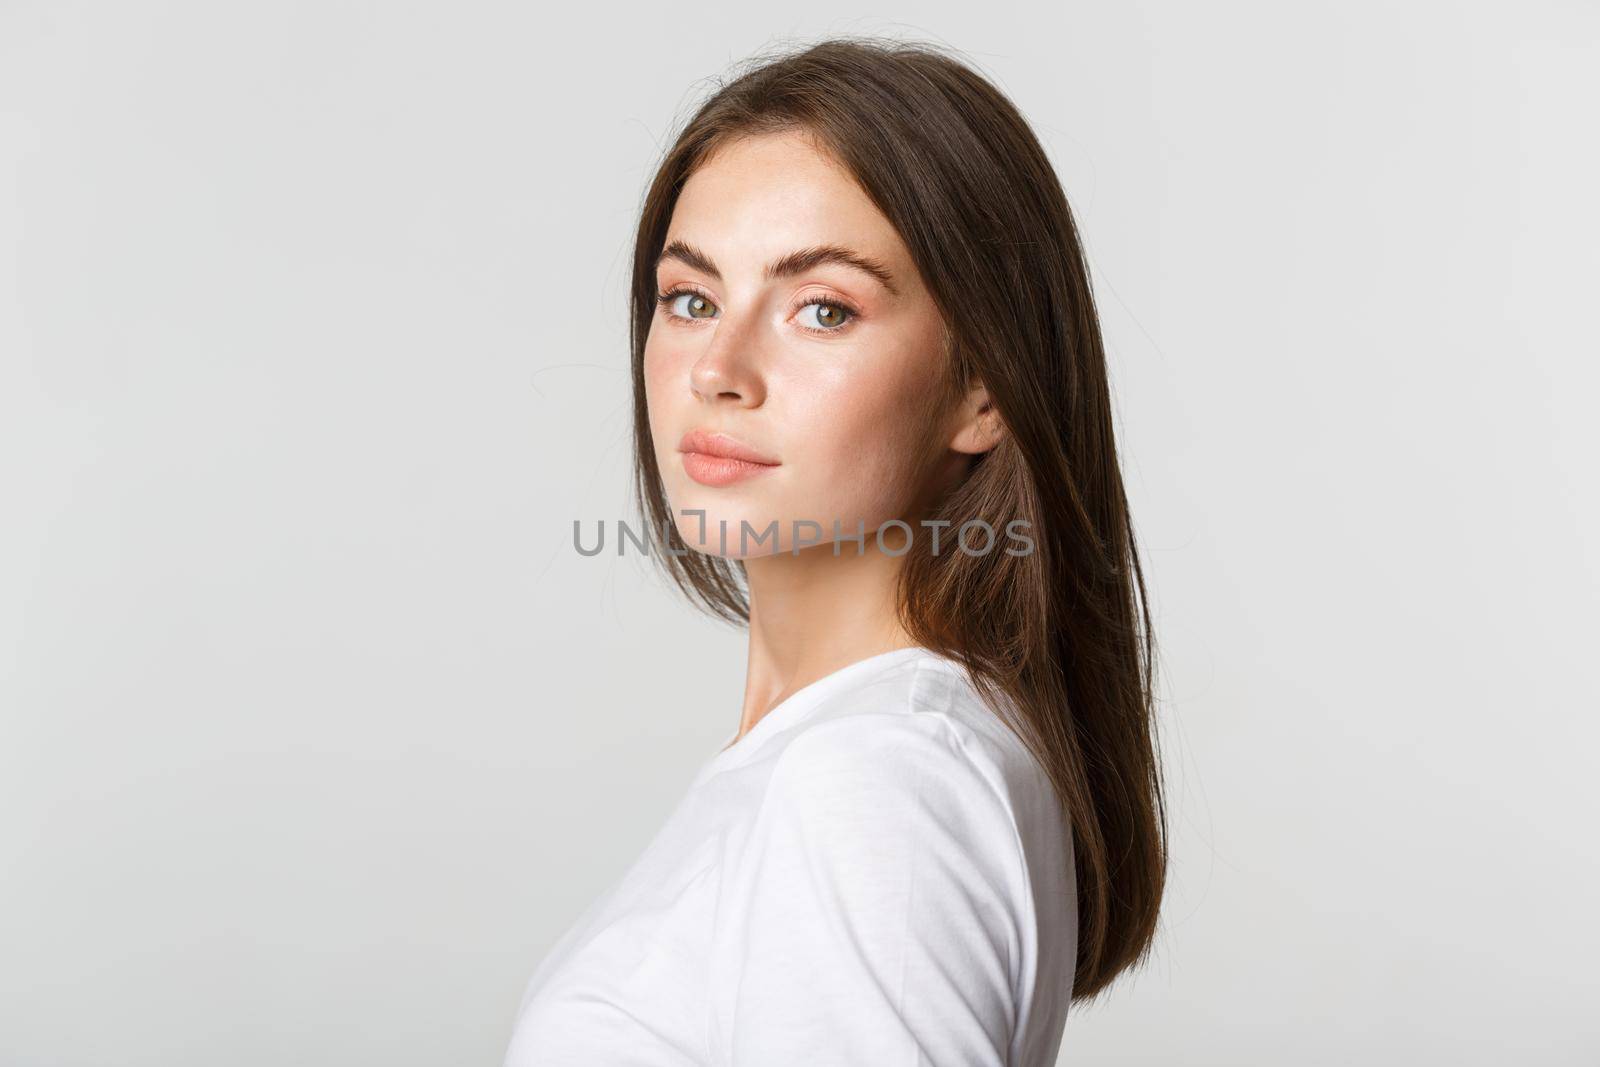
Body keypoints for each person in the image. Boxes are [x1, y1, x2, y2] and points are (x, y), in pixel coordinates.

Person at [505, 36, 1167, 1066]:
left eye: (823, 309)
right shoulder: (857, 753)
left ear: (982, 387)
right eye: (691, 297)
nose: (719, 368)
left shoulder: (871, 782)